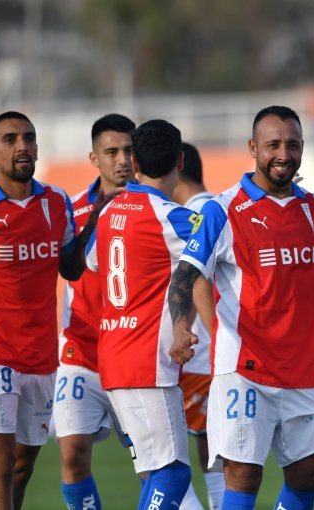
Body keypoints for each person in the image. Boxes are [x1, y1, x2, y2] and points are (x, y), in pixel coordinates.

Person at [168, 106, 314, 510]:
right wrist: (180, 327)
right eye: (273, 145)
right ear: (252, 148)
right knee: (243, 473)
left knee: (309, 472)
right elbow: (184, 277)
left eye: (292, 144)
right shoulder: (222, 210)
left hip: (301, 370)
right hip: (245, 368)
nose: (283, 153)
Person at [0, 111, 96, 510]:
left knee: (22, 467)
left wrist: (100, 212)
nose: (22, 145)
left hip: (40, 357)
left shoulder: (56, 203)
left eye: (29, 137)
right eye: (10, 139)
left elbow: (70, 267)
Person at [86, 119, 197, 510]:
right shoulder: (169, 216)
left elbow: (93, 262)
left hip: (114, 354)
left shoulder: (108, 211)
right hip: (146, 360)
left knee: (155, 472)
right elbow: (215, 238)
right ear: (180, 161)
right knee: (174, 472)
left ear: (135, 165)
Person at [55, 113, 135, 510]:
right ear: (94, 158)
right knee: (72, 456)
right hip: (80, 355)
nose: (122, 160)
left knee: (156, 467)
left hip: (134, 358)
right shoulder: (70, 212)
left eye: (129, 150)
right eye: (112, 151)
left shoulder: (154, 208)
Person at [171, 142, 225, 510]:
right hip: (211, 353)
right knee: (212, 446)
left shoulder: (187, 217)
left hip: (196, 354)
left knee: (157, 454)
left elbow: (194, 279)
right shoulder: (221, 206)